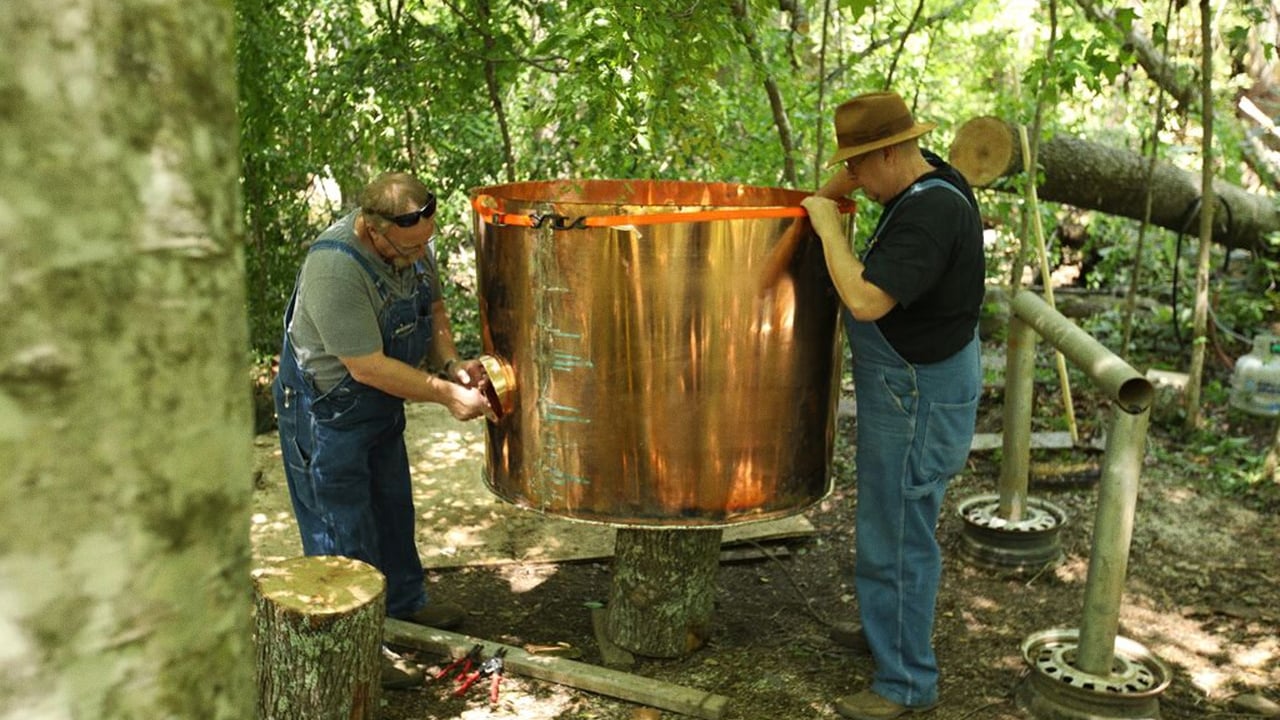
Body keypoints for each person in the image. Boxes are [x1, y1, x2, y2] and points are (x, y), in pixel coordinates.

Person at [801, 91, 984, 719]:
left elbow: (867, 302)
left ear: (887, 152)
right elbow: (860, 176)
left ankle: (906, 683)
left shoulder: (930, 215)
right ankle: (890, 636)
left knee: (899, 534)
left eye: (857, 166)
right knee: (888, 523)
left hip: (917, 392)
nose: (851, 180)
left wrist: (827, 225)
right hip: (909, 382)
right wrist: (840, 183)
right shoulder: (925, 176)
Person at [272, 172, 490, 683]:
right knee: (342, 524)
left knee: (392, 504)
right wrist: (443, 395)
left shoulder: (411, 239)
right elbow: (366, 367)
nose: (420, 255)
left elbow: (432, 309)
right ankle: (358, 649)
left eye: (426, 244)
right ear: (372, 229)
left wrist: (451, 363)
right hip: (326, 409)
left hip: (380, 402)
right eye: (410, 248)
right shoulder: (335, 268)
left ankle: (405, 607)